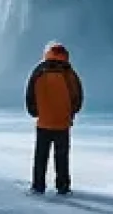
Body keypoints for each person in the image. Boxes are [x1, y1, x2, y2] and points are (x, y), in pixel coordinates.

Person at [25, 41, 83, 195]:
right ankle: (63, 187)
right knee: (62, 157)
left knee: (40, 157)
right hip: (63, 123)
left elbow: (30, 94)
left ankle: (38, 186)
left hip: (43, 122)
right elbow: (77, 95)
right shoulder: (68, 72)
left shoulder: (39, 70)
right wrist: (71, 113)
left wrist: (35, 112)